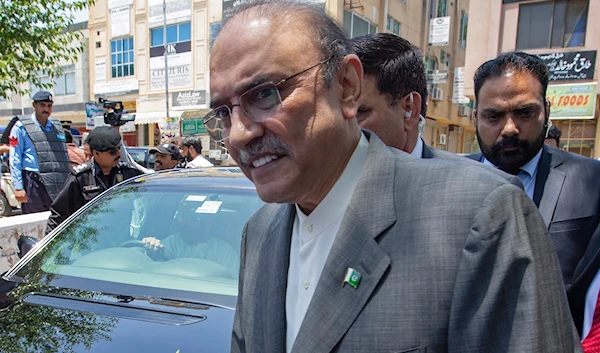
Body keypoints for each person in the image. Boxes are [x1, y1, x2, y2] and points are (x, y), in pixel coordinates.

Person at [207, 1, 581, 352]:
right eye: (224, 112)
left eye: (264, 94)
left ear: (348, 86)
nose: (238, 134)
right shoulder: (259, 233)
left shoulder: (480, 216)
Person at [467, 52, 600, 289]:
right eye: (494, 116)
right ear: (476, 117)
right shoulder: (446, 181)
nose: (509, 128)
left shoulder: (592, 180)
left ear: (546, 112)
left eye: (524, 113)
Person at [351, 33, 523, 187]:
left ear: (409, 109)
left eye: (359, 112)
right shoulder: (330, 185)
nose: (339, 125)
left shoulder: (487, 191)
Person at [46, 126, 143, 233]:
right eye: (112, 152)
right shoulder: (80, 178)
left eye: (118, 149)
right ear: (96, 153)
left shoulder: (128, 174)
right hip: (91, 243)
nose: (118, 154)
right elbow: (59, 215)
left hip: (122, 243)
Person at [6, 91, 71, 214]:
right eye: (42, 105)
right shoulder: (21, 127)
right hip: (34, 183)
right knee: (35, 222)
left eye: (49, 105)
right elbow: (15, 158)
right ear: (34, 105)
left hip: (57, 182)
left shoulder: (57, 128)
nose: (46, 109)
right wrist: (18, 187)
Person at [141, 203, 239, 278]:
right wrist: (150, 249)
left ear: (208, 224)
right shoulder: (173, 241)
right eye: (183, 217)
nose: (184, 223)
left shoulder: (225, 253)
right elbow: (155, 257)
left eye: (192, 218)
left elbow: (233, 284)